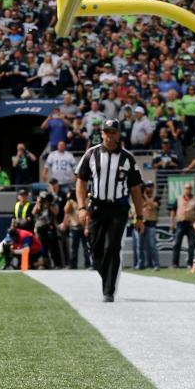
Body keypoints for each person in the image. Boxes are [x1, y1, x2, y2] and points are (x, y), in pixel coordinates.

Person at [75, 119, 145, 301]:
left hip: (118, 207)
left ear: (118, 134)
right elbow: (80, 182)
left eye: (112, 132)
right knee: (96, 252)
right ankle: (108, 277)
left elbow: (136, 189)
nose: (109, 135)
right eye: (106, 132)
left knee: (112, 247)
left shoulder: (127, 158)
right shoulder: (91, 154)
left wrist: (139, 216)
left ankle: (108, 291)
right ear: (102, 133)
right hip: (97, 207)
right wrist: (82, 207)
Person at [170, 182, 195, 269]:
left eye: (190, 188)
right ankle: (175, 264)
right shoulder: (178, 199)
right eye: (187, 188)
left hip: (191, 224)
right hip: (180, 224)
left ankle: (190, 263)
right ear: (184, 189)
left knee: (191, 245)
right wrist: (172, 222)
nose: (188, 190)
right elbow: (173, 211)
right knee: (176, 244)